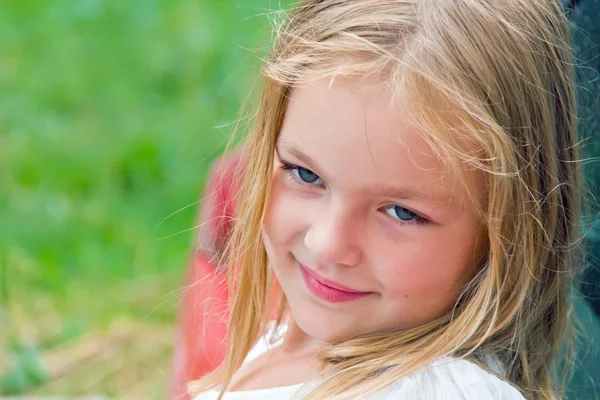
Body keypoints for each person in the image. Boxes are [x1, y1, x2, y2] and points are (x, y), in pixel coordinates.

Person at [182, 0, 585, 398]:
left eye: (401, 213)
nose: (328, 244)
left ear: (508, 232)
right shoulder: (295, 344)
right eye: (306, 175)